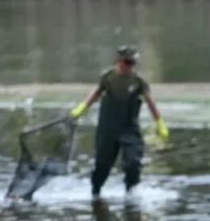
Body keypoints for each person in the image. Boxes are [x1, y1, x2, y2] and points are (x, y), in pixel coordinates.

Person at [69, 46, 169, 198]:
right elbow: (96, 94)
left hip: (129, 128)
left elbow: (150, 103)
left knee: (132, 163)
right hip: (107, 129)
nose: (129, 66)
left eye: (132, 63)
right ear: (118, 61)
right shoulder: (108, 77)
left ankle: (132, 194)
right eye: (127, 62)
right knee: (102, 166)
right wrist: (81, 109)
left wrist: (159, 123)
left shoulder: (138, 82)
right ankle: (95, 194)